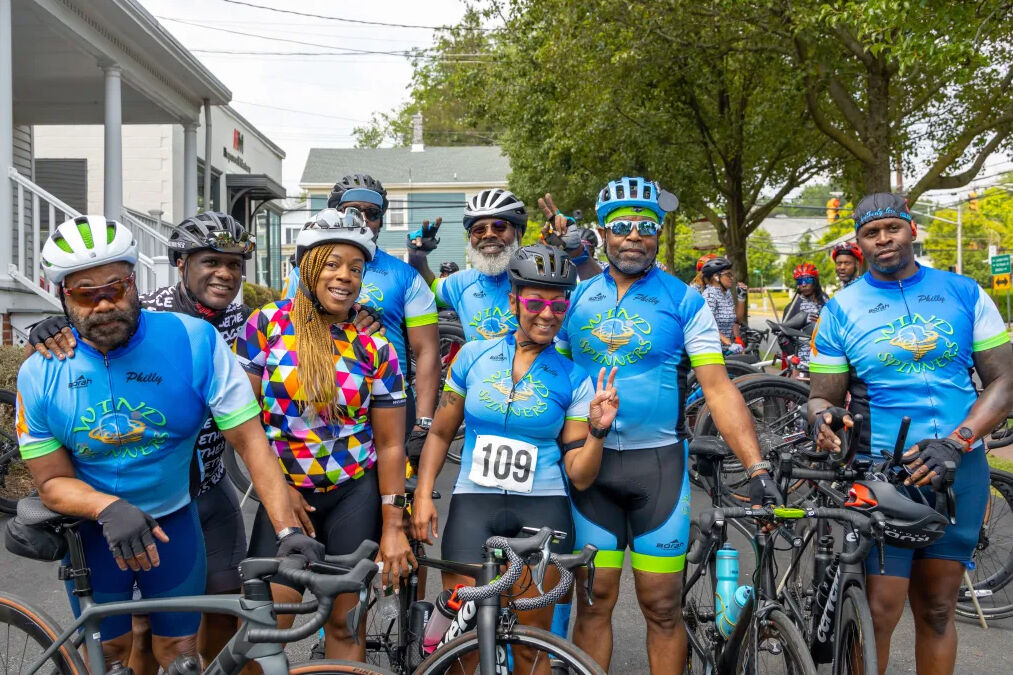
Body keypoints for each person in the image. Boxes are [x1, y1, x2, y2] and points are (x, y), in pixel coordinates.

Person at [15, 215, 316, 670]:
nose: (104, 304)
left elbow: (251, 442)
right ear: (62, 296)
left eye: (116, 288)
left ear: (134, 281)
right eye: (85, 293)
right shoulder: (40, 372)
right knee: (110, 655)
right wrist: (107, 507)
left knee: (181, 655)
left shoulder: (193, 340)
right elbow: (51, 481)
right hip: (95, 531)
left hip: (174, 521)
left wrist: (287, 531)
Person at [556, 177, 779, 673]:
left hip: (657, 468)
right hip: (589, 467)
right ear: (602, 234)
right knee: (594, 601)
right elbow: (554, 378)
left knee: (661, 606)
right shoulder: (575, 298)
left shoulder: (683, 300)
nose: (634, 236)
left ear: (658, 233)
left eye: (646, 226)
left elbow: (718, 388)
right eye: (622, 227)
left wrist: (757, 468)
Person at [808, 192, 1013, 675]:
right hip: (884, 475)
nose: (883, 239)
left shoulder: (964, 292)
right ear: (859, 243)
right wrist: (822, 419)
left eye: (892, 228)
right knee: (879, 611)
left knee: (939, 608)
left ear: (911, 230)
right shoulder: (841, 309)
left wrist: (958, 441)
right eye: (871, 233)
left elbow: (1005, 381)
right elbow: (821, 397)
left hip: (959, 468)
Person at [411, 244, 617, 671]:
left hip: (542, 510)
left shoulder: (573, 378)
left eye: (558, 305)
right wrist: (424, 494)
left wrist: (598, 431)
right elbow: (441, 433)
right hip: (474, 505)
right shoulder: (472, 357)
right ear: (513, 302)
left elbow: (580, 475)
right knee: (463, 645)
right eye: (535, 303)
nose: (547, 314)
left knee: (530, 648)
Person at [234, 208, 415, 661]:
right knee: (263, 630)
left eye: (355, 269)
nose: (345, 277)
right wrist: (277, 490)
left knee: (344, 626)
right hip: (286, 497)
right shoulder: (266, 325)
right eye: (332, 264)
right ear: (308, 267)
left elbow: (391, 444)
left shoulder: (375, 345)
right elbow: (242, 424)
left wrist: (393, 526)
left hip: (353, 495)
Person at [325, 174, 441, 466]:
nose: (363, 219)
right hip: (323, 398)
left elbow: (427, 351)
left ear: (381, 220)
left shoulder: (405, 275)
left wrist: (424, 422)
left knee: (393, 491)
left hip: (391, 400)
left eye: (372, 213)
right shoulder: (305, 271)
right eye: (352, 211)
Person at [408, 188, 529, 342]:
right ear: (470, 238)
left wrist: (561, 250)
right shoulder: (461, 282)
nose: (489, 234)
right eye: (479, 230)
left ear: (519, 233)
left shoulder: (537, 279)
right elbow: (428, 286)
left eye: (500, 226)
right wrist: (417, 256)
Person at [781, 262, 829, 375]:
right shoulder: (793, 306)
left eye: (807, 280)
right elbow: (783, 335)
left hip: (824, 354)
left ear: (815, 281)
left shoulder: (826, 300)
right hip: (802, 359)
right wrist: (792, 358)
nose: (803, 284)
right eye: (799, 281)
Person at [700, 256, 747, 354]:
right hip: (709, 350)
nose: (732, 278)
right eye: (728, 275)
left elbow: (737, 321)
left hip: (724, 349)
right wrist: (729, 343)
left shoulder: (726, 294)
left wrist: (741, 297)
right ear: (716, 277)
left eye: (732, 274)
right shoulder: (709, 295)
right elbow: (707, 325)